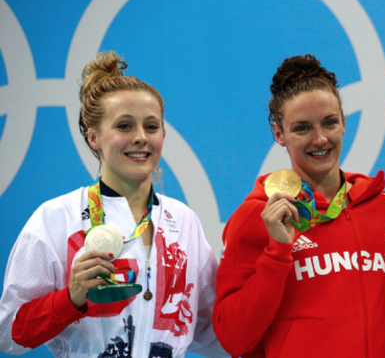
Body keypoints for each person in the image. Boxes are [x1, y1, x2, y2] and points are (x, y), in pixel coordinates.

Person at [0, 51, 227, 357]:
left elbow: (215, 331)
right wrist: (70, 299)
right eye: (124, 126)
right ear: (94, 138)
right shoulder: (56, 219)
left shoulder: (183, 221)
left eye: (151, 126)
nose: (140, 138)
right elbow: (8, 335)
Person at [212, 54, 385, 357]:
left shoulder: (382, 206)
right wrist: (277, 253)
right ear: (279, 134)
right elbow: (232, 337)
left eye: (329, 122)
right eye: (302, 128)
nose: (320, 139)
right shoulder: (257, 216)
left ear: (344, 122)